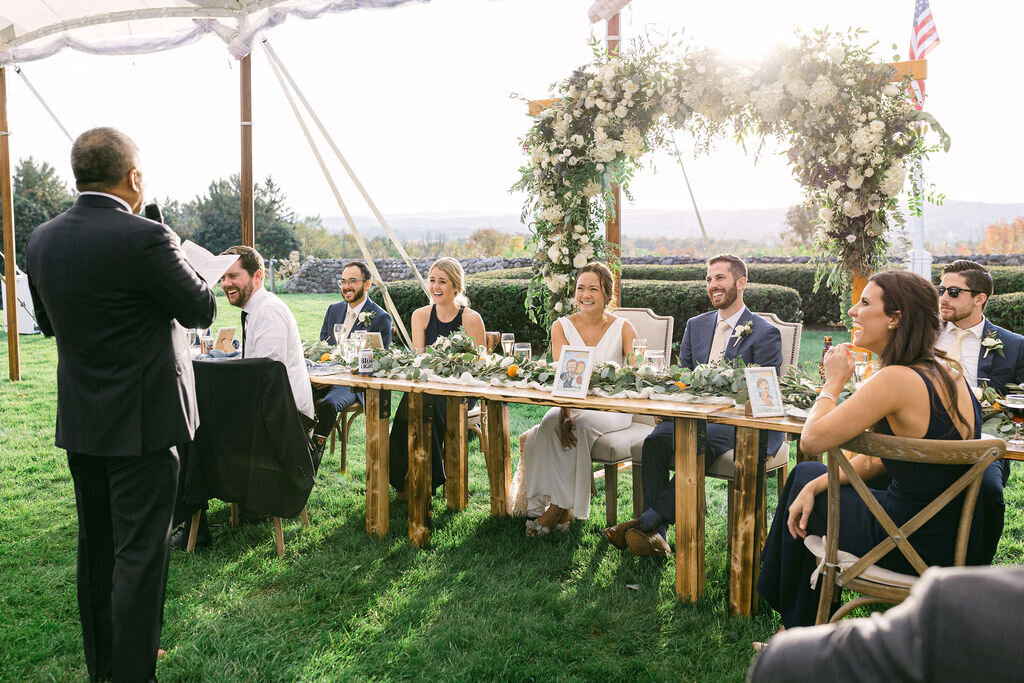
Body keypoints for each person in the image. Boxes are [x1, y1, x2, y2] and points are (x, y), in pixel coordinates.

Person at [25, 127, 217, 681]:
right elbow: (201, 308)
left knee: (97, 548)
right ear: (133, 177)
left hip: (83, 419)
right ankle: (133, 672)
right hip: (145, 423)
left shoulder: (40, 239)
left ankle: (103, 664)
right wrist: (172, 243)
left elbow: (48, 325)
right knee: (141, 553)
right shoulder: (148, 239)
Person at [757, 270, 994, 630]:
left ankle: (799, 629)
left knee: (805, 469)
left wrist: (833, 383)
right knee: (808, 478)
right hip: (954, 533)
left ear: (896, 319)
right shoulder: (949, 369)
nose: (853, 310)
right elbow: (883, 457)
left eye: (865, 303)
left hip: (910, 541)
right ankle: (802, 625)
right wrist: (815, 487)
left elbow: (812, 440)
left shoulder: (896, 379)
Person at [605, 254, 782, 556]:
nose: (713, 285)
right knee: (656, 441)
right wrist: (668, 407)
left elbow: (761, 393)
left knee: (697, 443)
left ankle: (644, 522)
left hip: (743, 424)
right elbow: (682, 377)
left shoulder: (765, 333)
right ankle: (656, 536)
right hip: (693, 418)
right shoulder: (696, 325)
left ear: (741, 282)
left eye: (720, 278)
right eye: (709, 279)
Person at [747, 565, 1024, 682]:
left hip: (911, 531)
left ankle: (795, 622)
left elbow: (813, 441)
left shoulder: (952, 609)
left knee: (808, 484)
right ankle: (794, 619)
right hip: (952, 526)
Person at [522, 262, 638, 535]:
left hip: (612, 407)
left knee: (581, 428)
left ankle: (556, 511)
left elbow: (635, 374)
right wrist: (565, 412)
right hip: (572, 402)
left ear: (607, 294)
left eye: (593, 289)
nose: (585, 294)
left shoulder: (624, 327)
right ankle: (556, 510)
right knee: (549, 422)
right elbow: (565, 378)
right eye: (580, 288)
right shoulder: (561, 326)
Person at [389, 257, 485, 496]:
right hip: (428, 386)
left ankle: (420, 480)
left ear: (456, 286)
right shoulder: (420, 316)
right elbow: (419, 361)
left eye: (443, 281)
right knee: (412, 407)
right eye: (432, 280)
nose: (436, 287)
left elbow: (481, 366)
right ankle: (407, 477)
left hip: (461, 390)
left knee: (420, 405)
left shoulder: (471, 319)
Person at [219, 245, 314, 423]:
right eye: (223, 277)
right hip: (272, 412)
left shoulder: (269, 311)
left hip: (287, 420)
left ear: (257, 276)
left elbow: (266, 376)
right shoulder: (256, 309)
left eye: (233, 276)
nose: (225, 284)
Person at [312, 260, 393, 453]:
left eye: (352, 281)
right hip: (327, 375)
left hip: (354, 383)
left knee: (329, 405)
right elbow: (323, 348)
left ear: (367, 284)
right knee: (295, 394)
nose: (346, 286)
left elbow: (379, 362)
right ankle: (296, 445)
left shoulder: (380, 318)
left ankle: (314, 453)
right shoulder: (334, 309)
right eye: (343, 281)